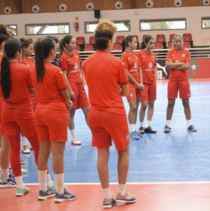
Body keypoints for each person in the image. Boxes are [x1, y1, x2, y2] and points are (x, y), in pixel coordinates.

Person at [83, 19, 136, 209]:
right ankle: (121, 192)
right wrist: (116, 90)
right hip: (114, 113)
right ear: (108, 42)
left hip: (95, 113)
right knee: (124, 150)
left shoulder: (86, 63)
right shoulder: (116, 62)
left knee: (102, 153)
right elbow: (124, 89)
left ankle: (106, 196)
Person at [0, 38, 52, 196]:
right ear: (18, 53)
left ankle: (19, 186)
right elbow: (32, 90)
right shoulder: (24, 69)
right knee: (38, 147)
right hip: (24, 112)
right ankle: (47, 182)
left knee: (13, 149)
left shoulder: (2, 69)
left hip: (6, 111)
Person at [33, 38, 76, 202]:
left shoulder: (34, 70)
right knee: (58, 153)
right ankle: (59, 191)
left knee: (43, 151)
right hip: (56, 112)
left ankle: (43, 189)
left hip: (40, 111)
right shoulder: (56, 70)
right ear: (52, 51)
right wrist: (68, 102)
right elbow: (65, 92)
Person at [59, 35, 89, 145]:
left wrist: (83, 78)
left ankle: (96, 134)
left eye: (75, 42)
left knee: (87, 110)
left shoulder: (76, 53)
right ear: (66, 45)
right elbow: (64, 75)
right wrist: (69, 90)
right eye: (72, 43)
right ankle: (74, 137)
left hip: (80, 84)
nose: (75, 44)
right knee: (72, 112)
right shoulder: (63, 57)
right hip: (71, 85)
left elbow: (81, 66)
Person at [164, 33, 197, 133]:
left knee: (186, 103)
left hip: (183, 81)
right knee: (170, 103)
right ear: (174, 42)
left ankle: (189, 124)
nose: (178, 43)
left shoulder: (186, 53)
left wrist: (174, 65)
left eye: (179, 41)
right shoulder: (170, 52)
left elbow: (187, 66)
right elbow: (168, 65)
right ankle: (167, 125)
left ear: (183, 42)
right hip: (173, 81)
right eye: (176, 41)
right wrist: (179, 63)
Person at [0, 34, 16, 188]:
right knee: (6, 143)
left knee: (6, 143)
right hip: (4, 104)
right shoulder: (3, 61)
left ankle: (6, 173)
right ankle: (4, 178)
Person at [121, 35, 144, 140]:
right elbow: (125, 72)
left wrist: (141, 83)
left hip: (138, 84)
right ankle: (131, 131)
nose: (137, 43)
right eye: (135, 42)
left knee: (136, 107)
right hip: (129, 84)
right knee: (133, 107)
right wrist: (136, 83)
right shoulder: (124, 55)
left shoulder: (136, 54)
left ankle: (134, 129)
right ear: (129, 43)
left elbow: (139, 69)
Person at [19, 38, 36, 154]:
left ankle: (34, 142)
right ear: (23, 49)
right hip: (24, 95)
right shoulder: (18, 62)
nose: (32, 50)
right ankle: (24, 145)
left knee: (35, 120)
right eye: (30, 48)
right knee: (24, 122)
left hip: (35, 95)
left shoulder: (32, 61)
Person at [138, 35, 157, 134]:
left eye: (153, 43)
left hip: (152, 82)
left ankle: (148, 126)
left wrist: (155, 73)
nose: (152, 45)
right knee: (144, 105)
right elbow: (138, 68)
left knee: (151, 104)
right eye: (150, 43)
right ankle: (141, 126)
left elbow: (154, 66)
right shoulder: (140, 54)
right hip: (144, 83)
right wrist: (139, 82)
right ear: (145, 43)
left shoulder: (154, 55)